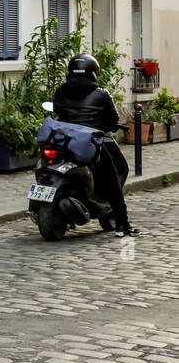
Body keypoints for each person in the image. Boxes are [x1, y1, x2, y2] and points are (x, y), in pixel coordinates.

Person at [52, 54, 138, 237]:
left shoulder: (60, 91)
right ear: (93, 72)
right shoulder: (101, 94)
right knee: (112, 178)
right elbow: (113, 120)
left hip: (64, 143)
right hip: (88, 146)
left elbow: (57, 111)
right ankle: (122, 224)